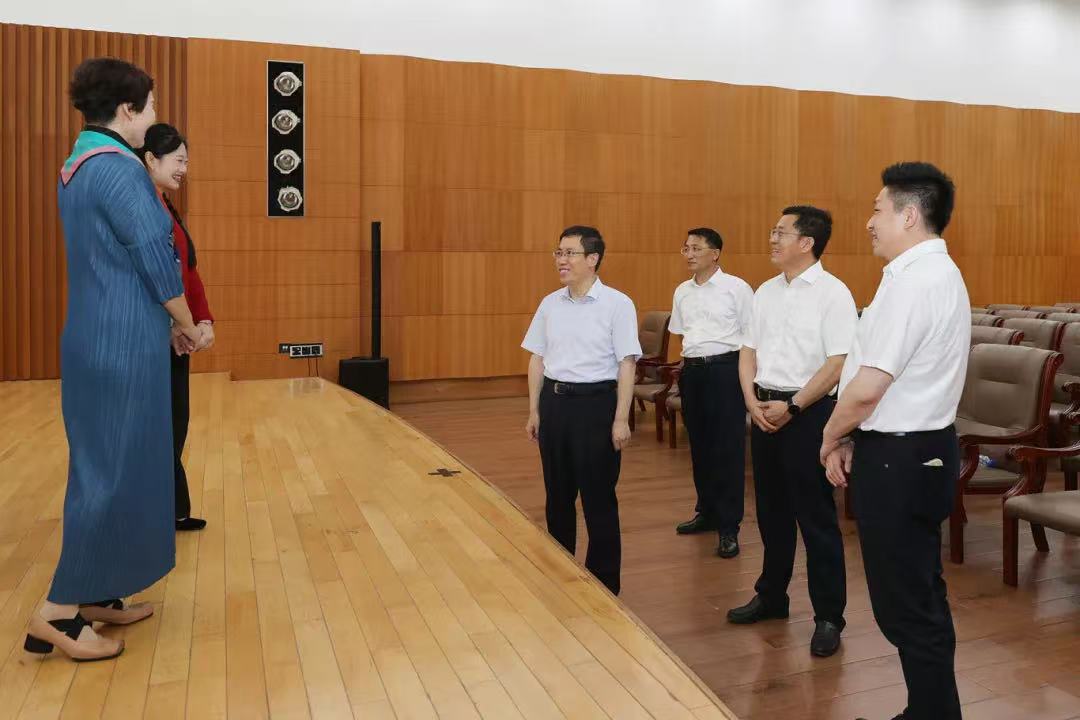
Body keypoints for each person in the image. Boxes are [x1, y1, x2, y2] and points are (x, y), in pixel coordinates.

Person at [24, 58, 201, 662]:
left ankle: (97, 592)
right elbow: (155, 256)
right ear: (128, 110)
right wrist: (187, 324)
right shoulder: (120, 169)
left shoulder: (78, 165)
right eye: (150, 105)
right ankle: (57, 612)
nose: (154, 115)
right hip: (119, 346)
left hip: (100, 338)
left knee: (111, 469)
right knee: (108, 476)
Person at [821, 162, 968, 720]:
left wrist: (831, 434)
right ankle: (929, 710)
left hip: (904, 458)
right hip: (907, 450)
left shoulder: (918, 281)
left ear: (909, 216)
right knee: (915, 594)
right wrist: (853, 436)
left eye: (878, 210)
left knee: (907, 603)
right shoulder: (917, 274)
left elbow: (867, 388)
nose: (869, 222)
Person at [726, 206, 856, 659]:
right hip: (765, 410)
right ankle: (772, 596)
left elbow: (838, 363)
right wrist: (750, 400)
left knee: (815, 518)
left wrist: (795, 405)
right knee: (771, 512)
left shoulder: (833, 293)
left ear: (807, 242)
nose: (772, 238)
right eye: (773, 230)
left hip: (809, 415)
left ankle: (828, 616)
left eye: (780, 232)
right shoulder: (765, 291)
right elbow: (748, 351)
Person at [522, 226, 641, 595]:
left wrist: (621, 419)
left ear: (593, 259)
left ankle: (604, 585)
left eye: (570, 253)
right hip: (555, 405)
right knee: (557, 497)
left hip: (596, 407)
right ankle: (560, 572)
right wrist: (534, 410)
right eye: (558, 252)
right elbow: (537, 358)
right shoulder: (550, 303)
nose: (561, 260)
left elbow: (626, 364)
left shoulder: (617, 304)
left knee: (598, 498)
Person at [141, 123, 215, 532]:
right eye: (179, 160)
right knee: (162, 428)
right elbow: (154, 279)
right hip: (157, 335)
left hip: (177, 333)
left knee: (175, 423)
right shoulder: (144, 209)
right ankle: (163, 513)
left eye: (187, 161)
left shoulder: (165, 205)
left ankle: (171, 510)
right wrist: (183, 325)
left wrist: (204, 321)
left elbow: (188, 271)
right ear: (151, 159)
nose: (185, 169)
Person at [668, 228, 753, 558]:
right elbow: (682, 335)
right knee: (700, 445)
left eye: (696, 248)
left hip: (726, 371)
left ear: (715, 253)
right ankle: (707, 512)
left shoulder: (737, 288)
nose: (689, 254)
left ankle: (729, 526)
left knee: (727, 449)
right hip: (693, 372)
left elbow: (751, 337)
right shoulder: (682, 291)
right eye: (685, 248)